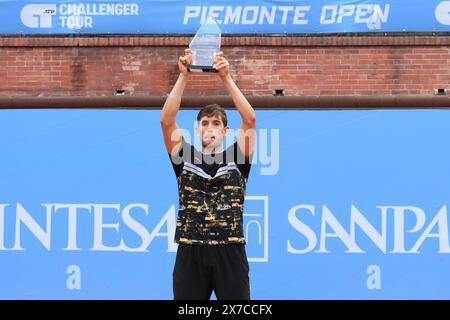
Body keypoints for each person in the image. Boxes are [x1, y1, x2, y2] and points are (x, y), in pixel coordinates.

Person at [160, 49, 256, 300]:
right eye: (205, 123)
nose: (209, 128)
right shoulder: (185, 158)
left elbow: (250, 119)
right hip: (191, 250)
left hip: (230, 250)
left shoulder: (238, 158)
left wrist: (226, 78)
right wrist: (183, 76)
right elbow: (166, 122)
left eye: (215, 124)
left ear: (225, 131)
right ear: (198, 129)